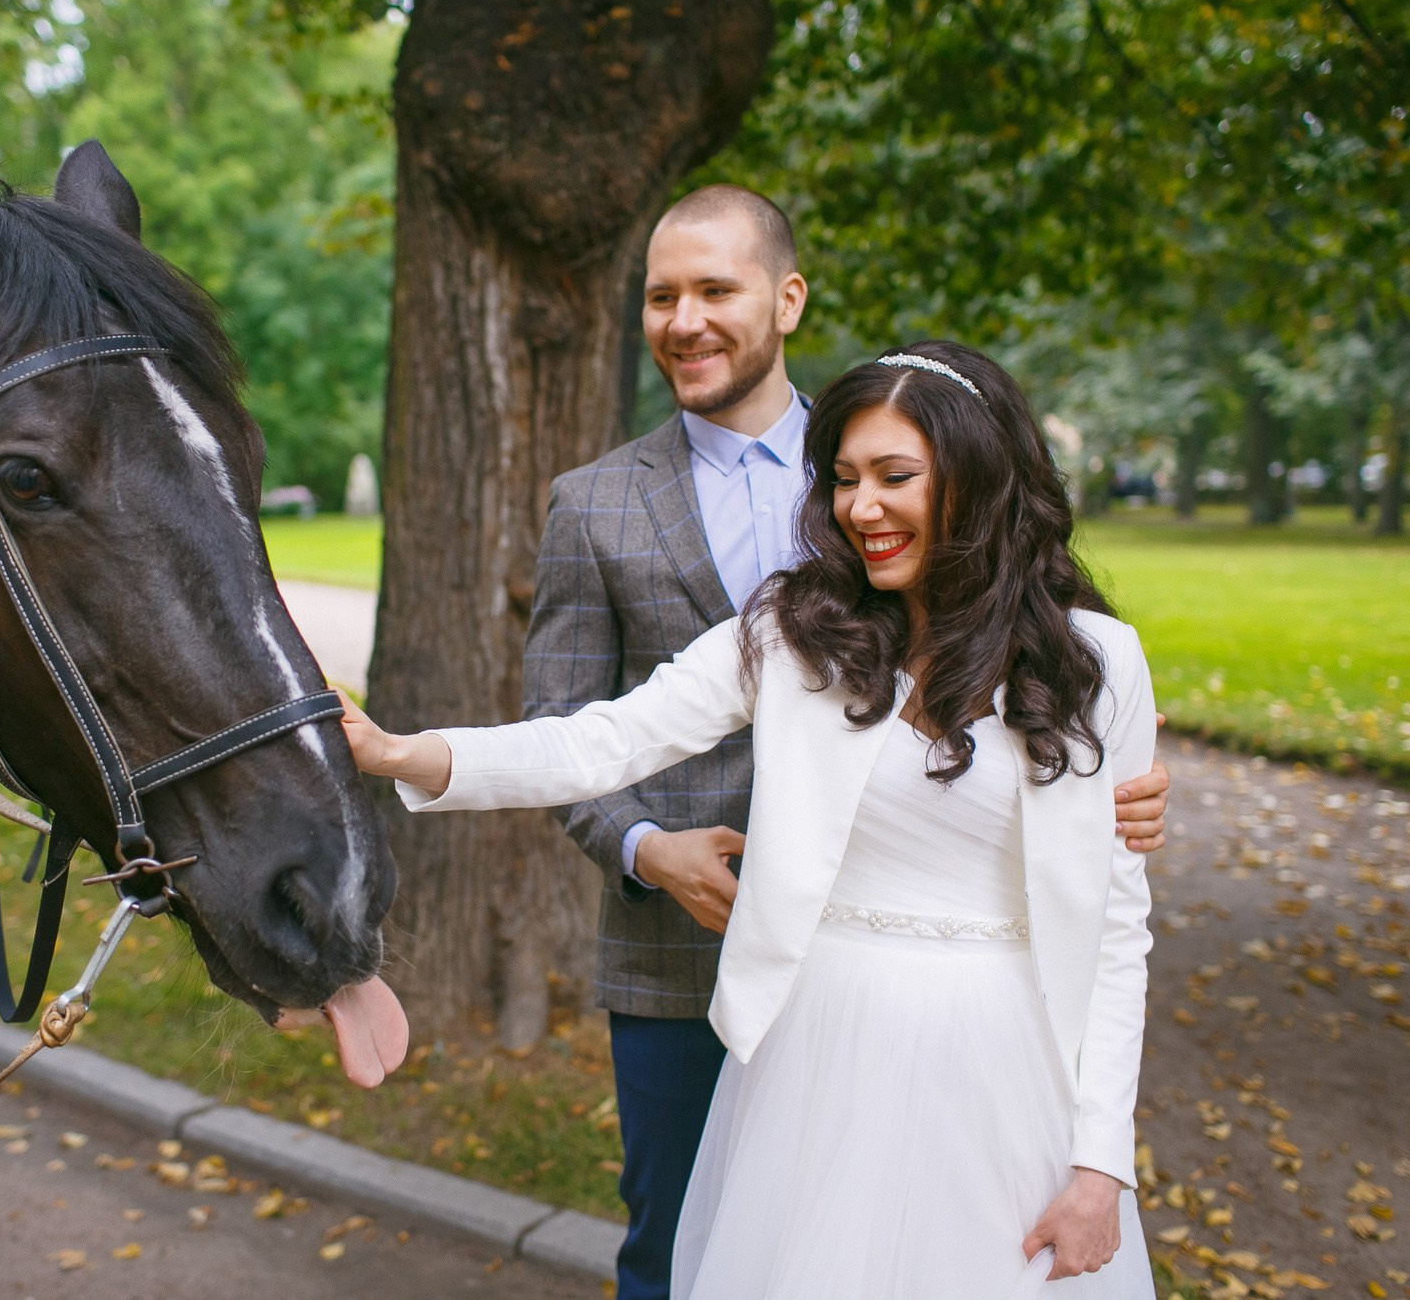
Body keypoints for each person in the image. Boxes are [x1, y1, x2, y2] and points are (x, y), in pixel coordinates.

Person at [341, 340, 1158, 1297]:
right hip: (816, 1059)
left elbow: (1116, 933)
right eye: (845, 479)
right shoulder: (794, 635)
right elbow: (602, 741)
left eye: (895, 477)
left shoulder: (1098, 664)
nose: (861, 508)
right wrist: (398, 753)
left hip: (1006, 1072)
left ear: (982, 480)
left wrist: (1100, 1166)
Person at [521, 185, 1169, 1297]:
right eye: (661, 296)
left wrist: (1109, 783)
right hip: (680, 954)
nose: (684, 319)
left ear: (786, 300)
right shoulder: (593, 502)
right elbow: (571, 727)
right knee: (685, 1250)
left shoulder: (894, 439)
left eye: (714, 290)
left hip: (932, 980)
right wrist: (642, 846)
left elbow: (1036, 679)